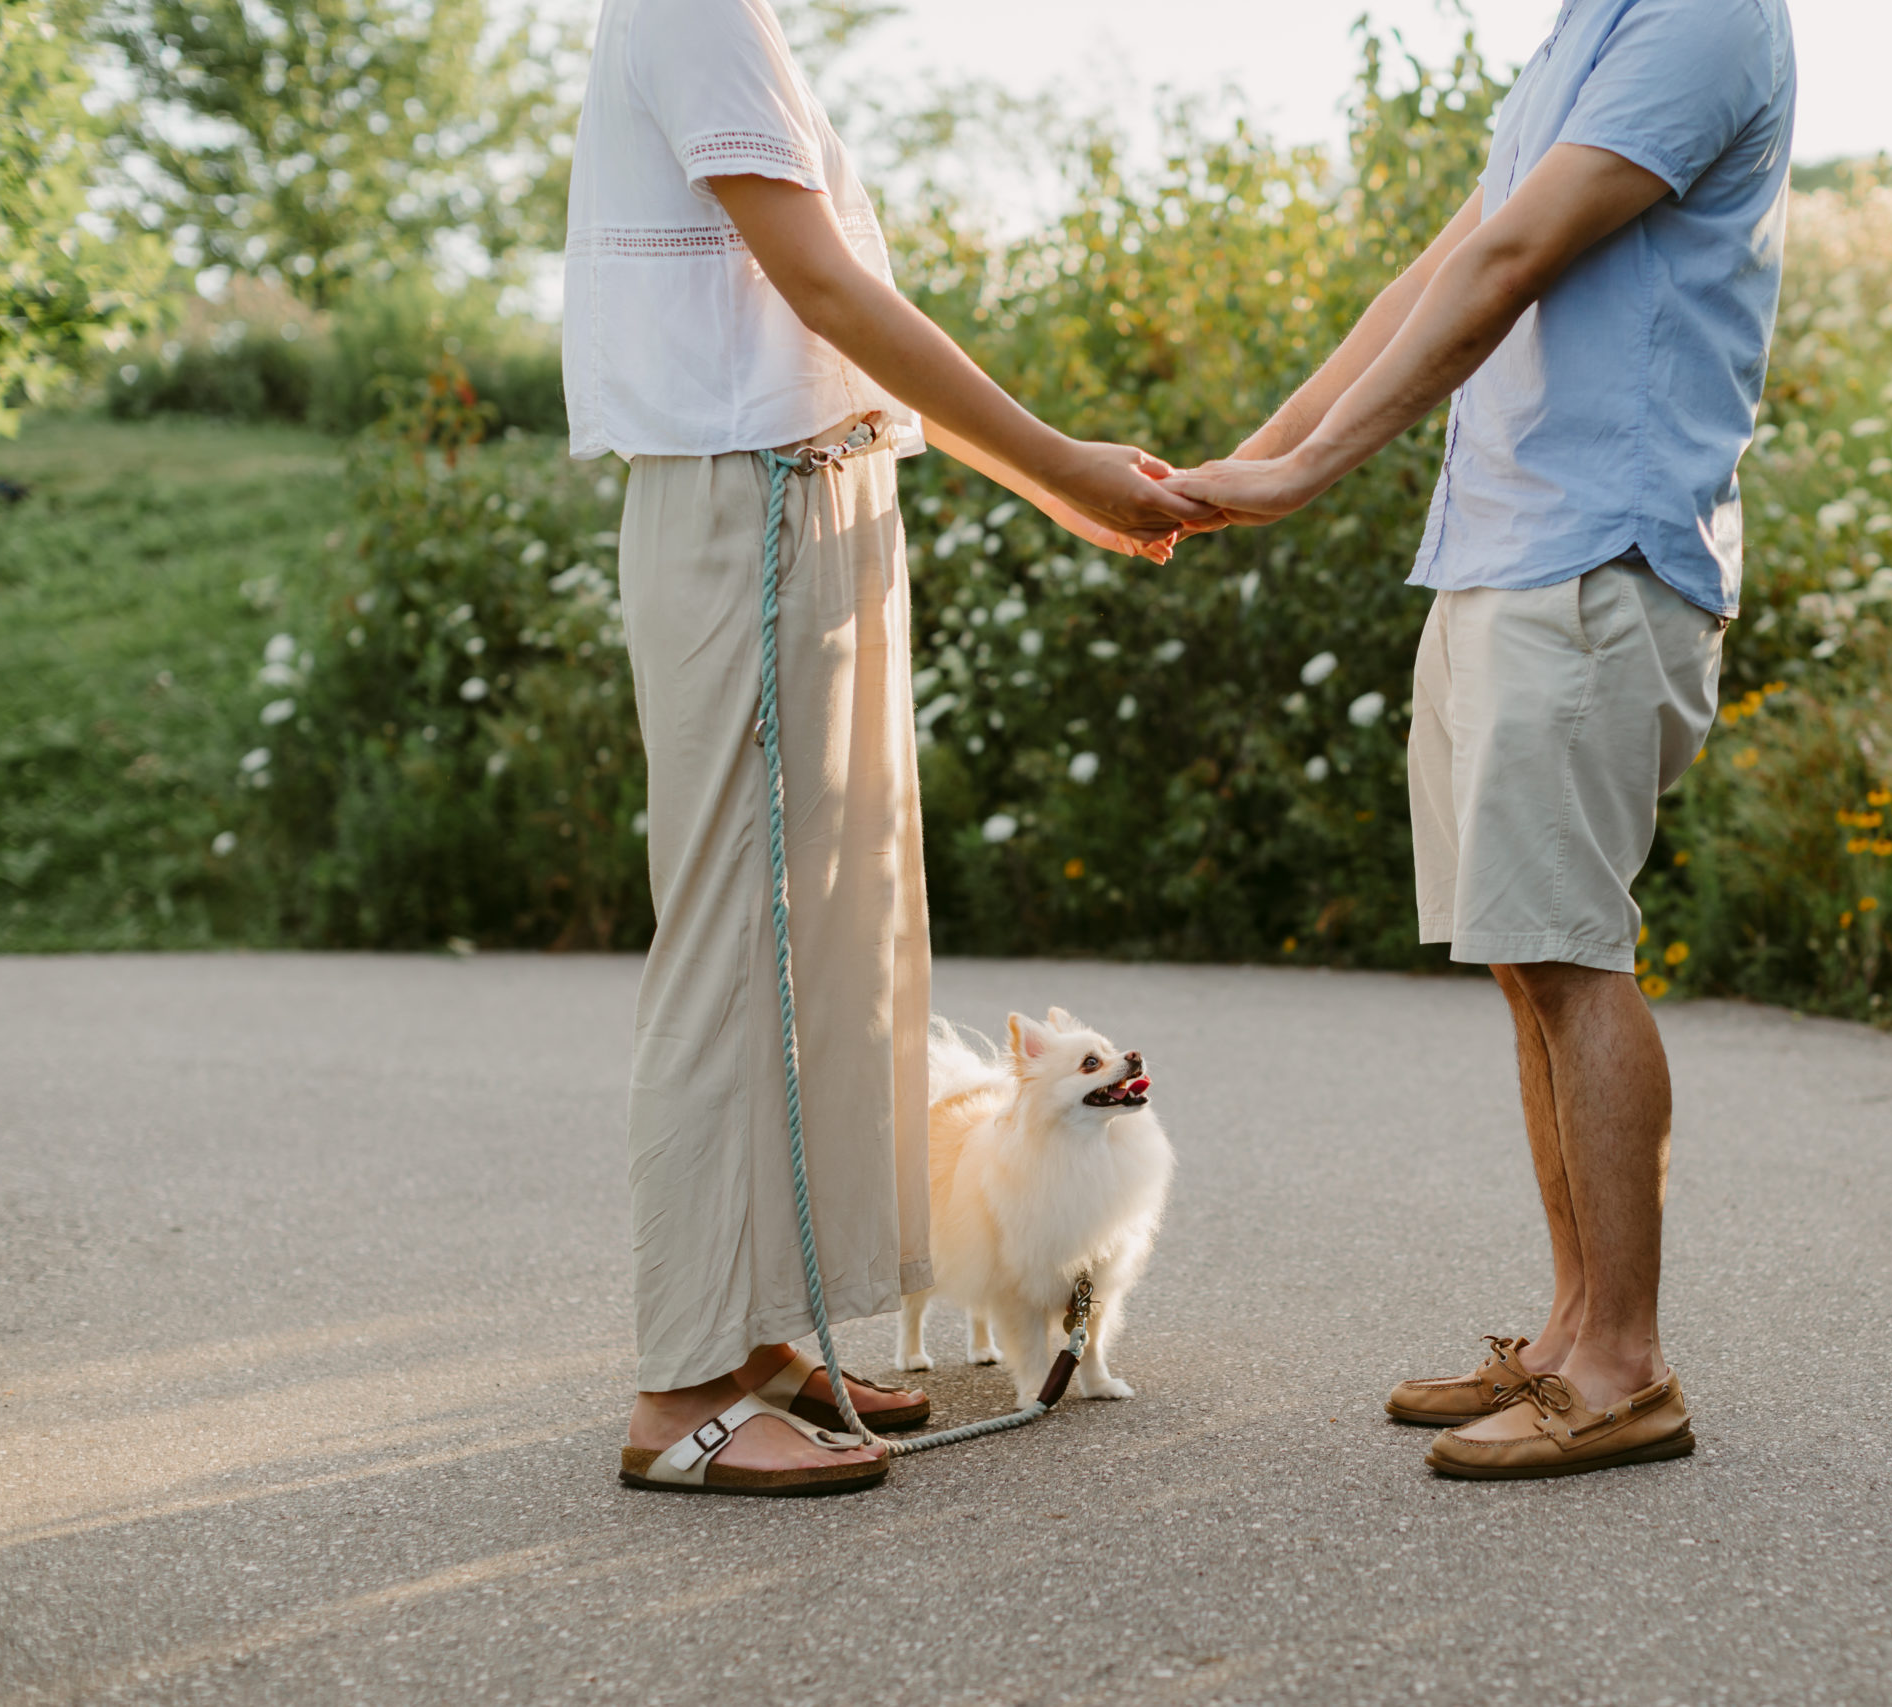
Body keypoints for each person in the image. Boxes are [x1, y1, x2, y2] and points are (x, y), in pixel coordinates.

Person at [564, 0, 1213, 1495]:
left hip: (811, 490)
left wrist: (1065, 494)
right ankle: (679, 1393)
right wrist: (1061, 465)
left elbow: (838, 326)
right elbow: (826, 288)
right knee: (737, 945)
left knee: (829, 942)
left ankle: (758, 1332)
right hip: (752, 502)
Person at [1167, 0, 1796, 1480]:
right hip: (1502, 556)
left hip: (1594, 553)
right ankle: (1575, 1330)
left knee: (1573, 955)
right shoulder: (1586, 31)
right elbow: (1440, 268)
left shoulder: (1703, 16)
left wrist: (1306, 476)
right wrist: (1251, 465)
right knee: (1527, 959)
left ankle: (1626, 1368)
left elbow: (1514, 264)